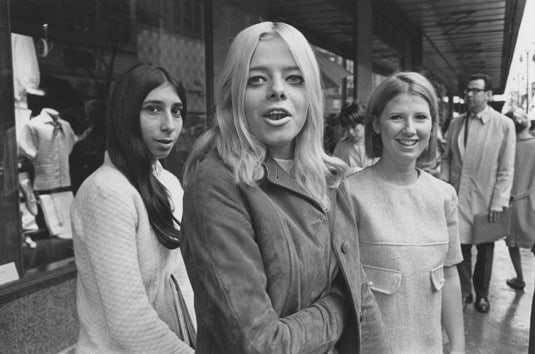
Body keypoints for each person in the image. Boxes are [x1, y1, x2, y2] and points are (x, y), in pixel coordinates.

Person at [181, 22, 387, 353]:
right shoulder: (216, 185)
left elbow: (362, 296)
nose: (277, 90)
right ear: (234, 95)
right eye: (256, 79)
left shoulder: (329, 178)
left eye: (294, 78)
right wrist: (341, 305)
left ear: (311, 96)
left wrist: (354, 299)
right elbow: (259, 344)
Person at [71, 64, 195, 353]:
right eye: (153, 109)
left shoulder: (167, 181)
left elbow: (183, 278)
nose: (169, 124)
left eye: (176, 111)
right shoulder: (106, 192)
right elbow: (129, 321)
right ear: (125, 115)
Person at [347, 71, 465, 353]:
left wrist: (459, 346)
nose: (410, 129)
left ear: (433, 125)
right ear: (376, 124)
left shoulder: (444, 196)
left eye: (421, 117)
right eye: (397, 117)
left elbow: (449, 277)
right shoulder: (350, 194)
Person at [440, 73, 515, 313]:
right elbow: (447, 158)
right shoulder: (456, 123)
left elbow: (506, 169)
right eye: (467, 91)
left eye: (475, 90)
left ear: (489, 95)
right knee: (459, 249)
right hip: (457, 197)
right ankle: (464, 293)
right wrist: (444, 189)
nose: (469, 95)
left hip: (486, 200)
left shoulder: (503, 124)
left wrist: (498, 202)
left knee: (485, 250)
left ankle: (482, 294)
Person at [503, 110, 535, 291]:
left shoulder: (508, 147)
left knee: (512, 243)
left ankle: (520, 278)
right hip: (531, 201)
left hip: (512, 202)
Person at [333, 102, 377, 175]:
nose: (350, 131)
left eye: (354, 127)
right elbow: (335, 171)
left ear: (365, 124)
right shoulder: (341, 146)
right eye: (347, 128)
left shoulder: (376, 145)